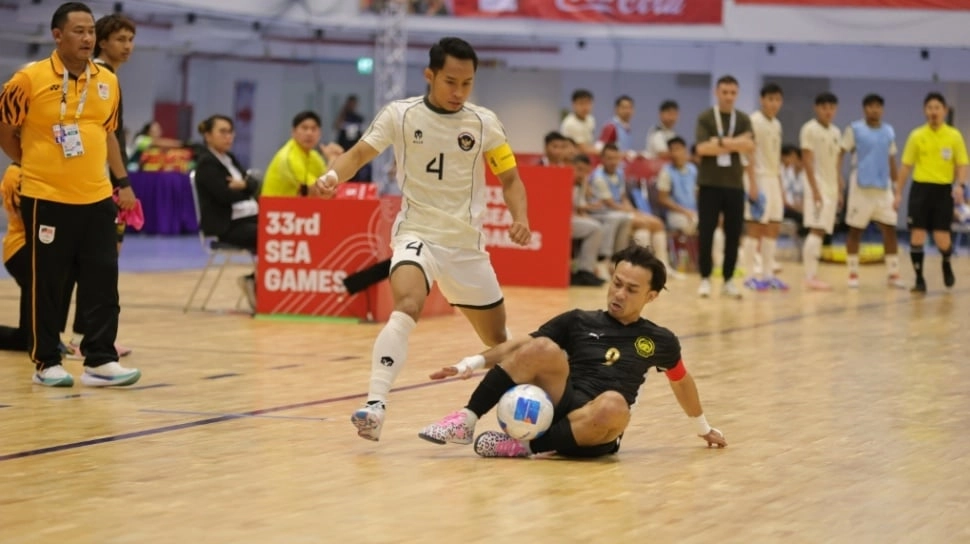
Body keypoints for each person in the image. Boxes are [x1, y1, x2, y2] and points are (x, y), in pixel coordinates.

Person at [314, 37, 532, 442]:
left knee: (501, 344)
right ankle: (375, 406)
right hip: (418, 234)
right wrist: (331, 177)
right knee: (408, 304)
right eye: (450, 81)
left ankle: (518, 422)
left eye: (467, 84)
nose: (458, 92)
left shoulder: (484, 122)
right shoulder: (400, 115)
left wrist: (521, 217)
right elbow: (359, 154)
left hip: (466, 248)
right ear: (429, 75)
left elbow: (511, 179)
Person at [418, 245, 727, 458]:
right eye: (616, 283)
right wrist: (468, 364)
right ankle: (466, 419)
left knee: (614, 405)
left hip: (596, 428)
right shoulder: (579, 319)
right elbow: (517, 346)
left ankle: (524, 448)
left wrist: (703, 428)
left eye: (631, 290)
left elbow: (681, 381)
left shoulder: (659, 339)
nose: (619, 294)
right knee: (540, 346)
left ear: (652, 296)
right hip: (560, 402)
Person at [0, 1, 140, 387]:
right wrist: (33, 165)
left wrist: (119, 182)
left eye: (91, 31)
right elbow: (7, 130)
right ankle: (46, 362)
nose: (87, 37)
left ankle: (100, 358)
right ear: (57, 35)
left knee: (103, 278)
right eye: (78, 31)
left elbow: (107, 132)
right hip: (46, 195)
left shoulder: (107, 81)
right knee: (49, 282)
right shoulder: (27, 80)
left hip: (95, 197)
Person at [61, 12, 138, 359]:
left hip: (99, 182)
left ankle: (84, 334)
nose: (127, 46)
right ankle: (87, 337)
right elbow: (108, 139)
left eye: (131, 40)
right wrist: (122, 182)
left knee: (97, 264)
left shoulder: (110, 78)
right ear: (102, 42)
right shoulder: (101, 77)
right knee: (100, 264)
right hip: (97, 184)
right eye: (120, 39)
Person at [895, 92, 969, 292]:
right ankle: (919, 279)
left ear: (944, 110)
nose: (933, 112)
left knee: (941, 238)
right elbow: (905, 167)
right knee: (917, 236)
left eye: (937, 108)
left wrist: (960, 186)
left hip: (943, 191)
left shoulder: (954, 136)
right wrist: (898, 192)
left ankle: (946, 261)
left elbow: (962, 164)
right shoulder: (916, 135)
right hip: (920, 189)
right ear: (924, 111)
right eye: (930, 108)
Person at [694, 75, 755, 299]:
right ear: (716, 93)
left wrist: (718, 142)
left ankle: (729, 279)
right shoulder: (706, 117)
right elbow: (701, 149)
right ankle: (705, 278)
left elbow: (750, 146)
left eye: (732, 93)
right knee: (707, 232)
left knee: (733, 233)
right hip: (709, 184)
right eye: (725, 92)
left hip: (735, 185)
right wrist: (733, 143)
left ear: (736, 94)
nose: (729, 97)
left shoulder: (743, 119)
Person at [194, 114, 260, 310]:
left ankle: (256, 281)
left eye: (230, 132)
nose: (228, 136)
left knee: (279, 229)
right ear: (208, 135)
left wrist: (244, 186)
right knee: (268, 235)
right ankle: (255, 282)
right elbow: (225, 196)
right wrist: (247, 187)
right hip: (226, 225)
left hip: (246, 218)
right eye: (222, 132)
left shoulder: (229, 158)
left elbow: (253, 185)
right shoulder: (207, 163)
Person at [839, 94, 905, 289]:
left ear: (882, 109)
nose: (874, 109)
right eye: (870, 106)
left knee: (890, 230)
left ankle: (893, 274)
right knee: (855, 231)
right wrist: (838, 179)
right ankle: (853, 273)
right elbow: (840, 153)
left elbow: (892, 161)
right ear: (864, 109)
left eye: (878, 106)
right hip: (860, 187)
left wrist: (897, 188)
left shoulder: (888, 131)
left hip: (883, 189)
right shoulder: (854, 129)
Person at [741, 83, 788, 291]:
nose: (774, 104)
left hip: (773, 179)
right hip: (757, 178)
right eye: (770, 99)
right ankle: (750, 275)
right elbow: (748, 154)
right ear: (762, 100)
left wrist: (781, 187)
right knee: (755, 227)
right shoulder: (753, 121)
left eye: (777, 99)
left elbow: (776, 160)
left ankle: (768, 275)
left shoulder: (777, 124)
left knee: (774, 227)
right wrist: (751, 183)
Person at [800, 93, 843, 291]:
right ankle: (809, 276)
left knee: (822, 230)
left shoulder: (836, 132)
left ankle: (814, 274)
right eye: (824, 107)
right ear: (816, 108)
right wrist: (815, 190)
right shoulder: (809, 129)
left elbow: (836, 164)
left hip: (831, 188)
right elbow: (807, 161)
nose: (828, 111)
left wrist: (839, 189)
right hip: (816, 187)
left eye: (832, 107)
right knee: (816, 229)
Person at [261, 111, 343, 197]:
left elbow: (330, 186)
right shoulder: (288, 157)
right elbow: (317, 192)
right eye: (304, 128)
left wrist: (338, 160)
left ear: (319, 134)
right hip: (274, 208)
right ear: (293, 132)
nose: (309, 133)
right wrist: (332, 160)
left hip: (298, 208)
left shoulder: (313, 156)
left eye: (314, 129)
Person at [569, 154, 606, 287]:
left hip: (572, 218)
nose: (581, 174)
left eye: (585, 172)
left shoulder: (580, 184)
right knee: (595, 228)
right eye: (579, 169)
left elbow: (579, 207)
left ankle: (591, 268)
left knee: (597, 225)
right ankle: (585, 271)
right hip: (560, 221)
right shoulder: (562, 179)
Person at [656, 136, 699, 235]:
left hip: (693, 212)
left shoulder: (693, 170)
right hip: (675, 214)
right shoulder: (666, 172)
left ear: (685, 150)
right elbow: (662, 199)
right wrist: (685, 211)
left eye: (678, 149)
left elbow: (697, 194)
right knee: (693, 223)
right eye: (672, 150)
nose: (675, 153)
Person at [333, 94, 370, 182]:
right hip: (344, 149)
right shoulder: (343, 116)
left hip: (355, 149)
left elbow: (363, 133)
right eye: (350, 104)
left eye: (354, 104)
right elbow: (336, 126)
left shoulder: (359, 118)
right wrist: (343, 112)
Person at [559, 89, 596, 156]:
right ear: (574, 104)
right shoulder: (570, 123)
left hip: (585, 157)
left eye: (588, 103)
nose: (585, 107)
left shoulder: (591, 119)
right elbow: (583, 149)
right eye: (581, 103)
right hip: (571, 158)